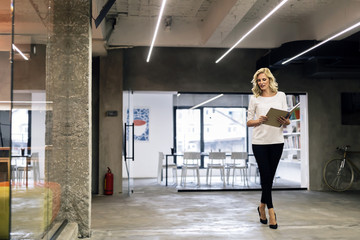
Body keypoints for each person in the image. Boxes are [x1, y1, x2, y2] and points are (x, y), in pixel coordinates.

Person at [247, 67, 290, 229]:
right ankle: (271, 212)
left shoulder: (281, 96)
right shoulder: (255, 99)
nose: (261, 82)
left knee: (269, 178)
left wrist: (286, 121)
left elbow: (286, 119)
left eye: (264, 79)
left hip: (277, 141)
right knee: (266, 175)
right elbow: (248, 121)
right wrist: (259, 120)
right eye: (259, 80)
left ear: (270, 80)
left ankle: (261, 206)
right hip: (259, 143)